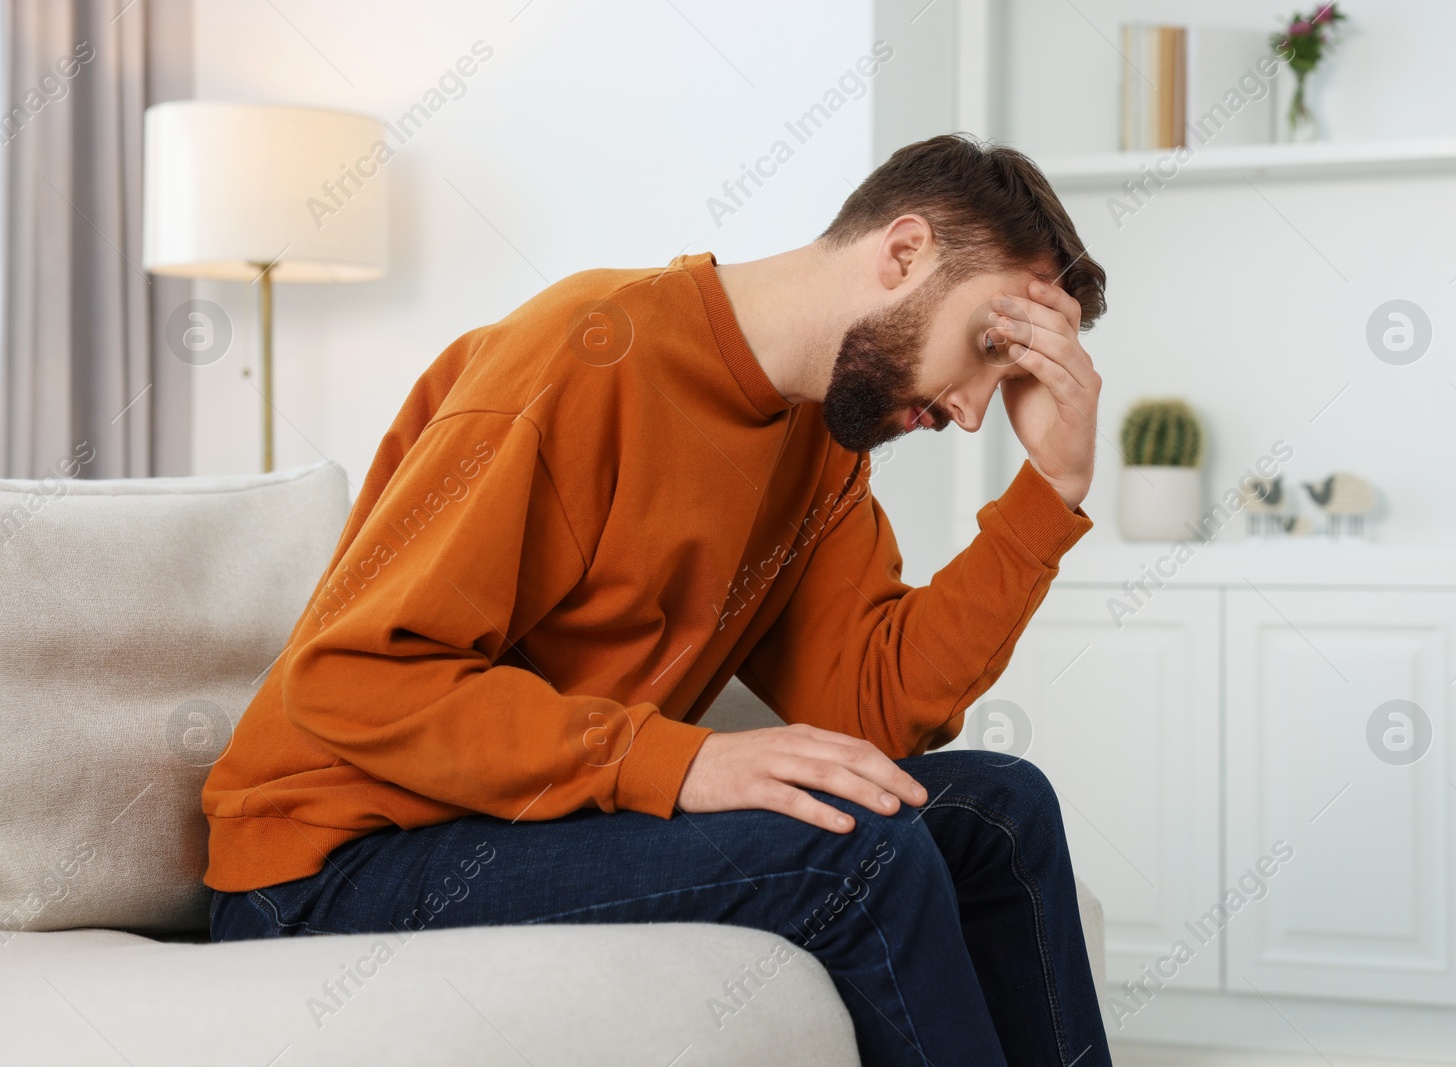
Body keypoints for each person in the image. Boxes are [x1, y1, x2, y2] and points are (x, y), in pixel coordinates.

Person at [204, 132, 1112, 1066]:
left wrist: (1051, 490)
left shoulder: (823, 443)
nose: (971, 412)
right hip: (331, 863)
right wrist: (676, 762)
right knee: (857, 851)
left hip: (528, 823)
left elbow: (872, 713)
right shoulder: (583, 355)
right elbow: (350, 677)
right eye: (984, 350)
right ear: (904, 251)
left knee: (1003, 812)